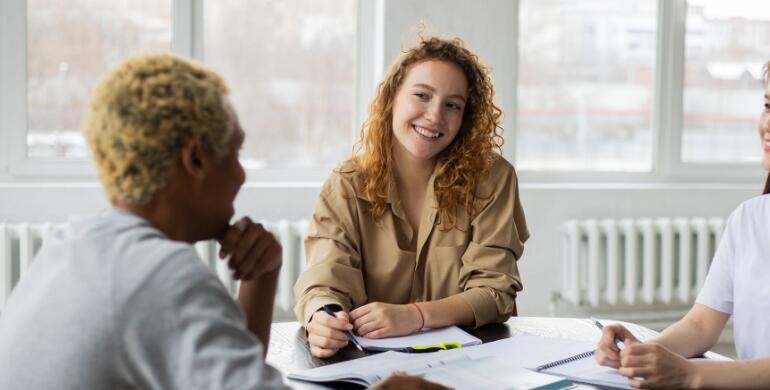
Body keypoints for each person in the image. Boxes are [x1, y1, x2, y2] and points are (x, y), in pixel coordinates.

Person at [0, 53, 444, 390]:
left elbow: (233, 369)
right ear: (195, 159)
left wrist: (262, 278)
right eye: (234, 153)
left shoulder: (76, 243)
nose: (241, 174)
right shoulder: (161, 277)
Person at [294, 36, 529, 358]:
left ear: (466, 118)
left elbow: (495, 290)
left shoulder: (493, 178)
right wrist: (322, 317)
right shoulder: (347, 183)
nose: (434, 116)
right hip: (368, 364)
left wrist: (416, 315)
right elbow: (325, 277)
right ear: (392, 99)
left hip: (471, 361)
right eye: (421, 95)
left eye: (453, 105)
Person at [595, 60, 770, 389]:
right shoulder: (748, 219)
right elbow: (702, 325)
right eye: (768, 105)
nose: (768, 123)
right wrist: (642, 351)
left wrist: (692, 375)